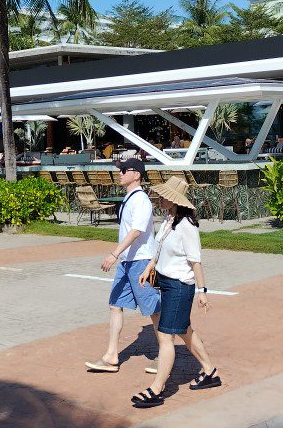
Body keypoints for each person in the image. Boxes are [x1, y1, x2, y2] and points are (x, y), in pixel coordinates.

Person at [131, 176, 219, 409]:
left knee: (165, 336)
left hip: (181, 286)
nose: (159, 198)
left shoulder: (187, 227)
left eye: (164, 196)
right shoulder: (170, 220)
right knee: (184, 330)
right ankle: (209, 371)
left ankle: (156, 389)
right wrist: (149, 267)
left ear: (174, 200)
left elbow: (195, 261)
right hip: (168, 284)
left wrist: (202, 291)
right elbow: (159, 248)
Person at [85, 158, 161, 373]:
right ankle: (111, 357)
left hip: (141, 262)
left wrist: (114, 253)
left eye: (124, 171)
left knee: (154, 309)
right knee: (115, 305)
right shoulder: (130, 198)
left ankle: (165, 354)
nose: (119, 174)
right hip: (127, 262)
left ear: (136, 174)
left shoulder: (141, 200)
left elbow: (136, 230)